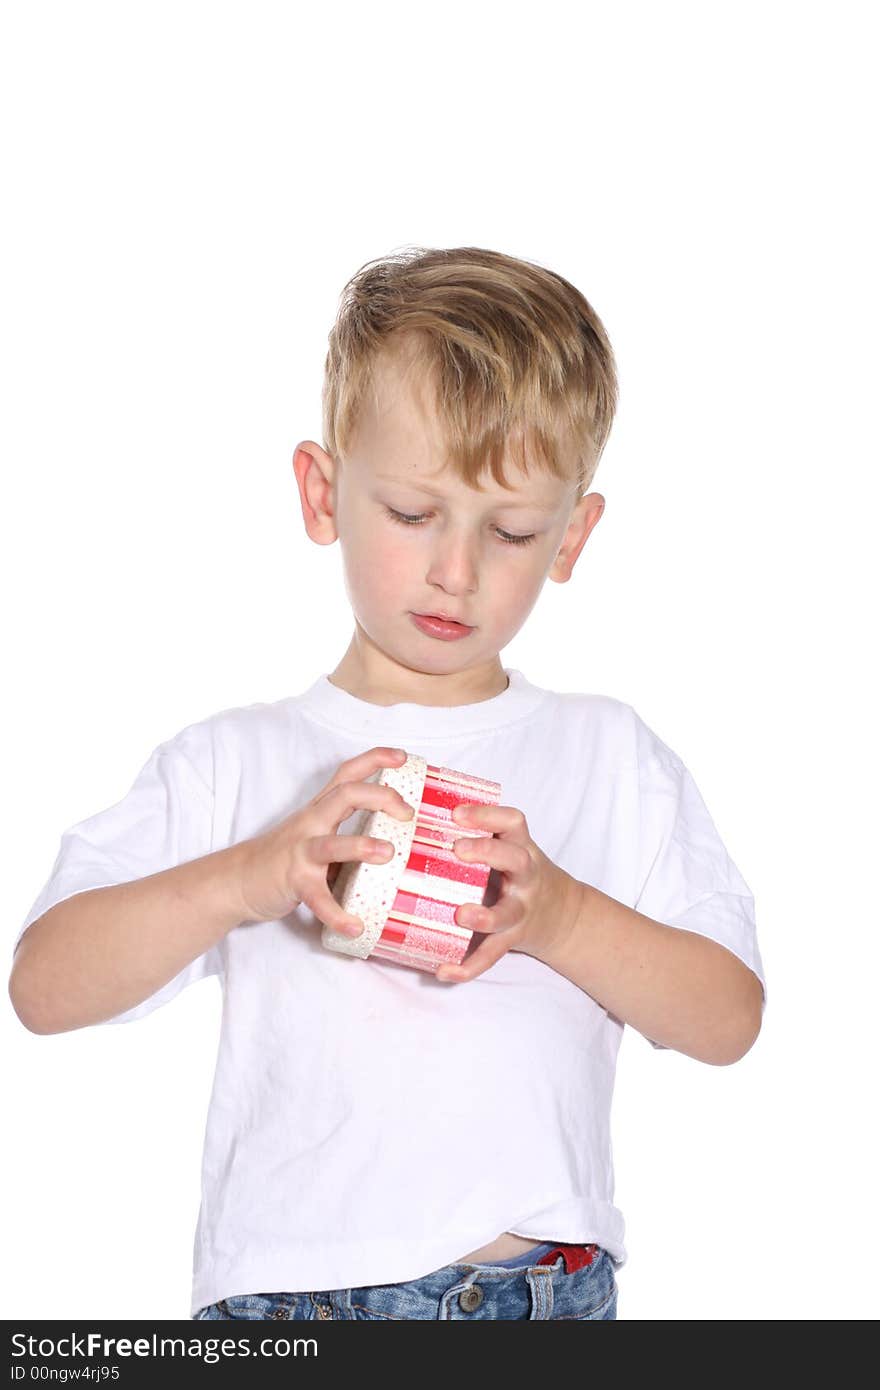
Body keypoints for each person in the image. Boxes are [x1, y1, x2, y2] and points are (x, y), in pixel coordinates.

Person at [9, 245, 766, 1321]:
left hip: (539, 1294)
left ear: (571, 536)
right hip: (292, 1308)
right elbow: (44, 985)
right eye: (413, 515)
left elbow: (727, 1018)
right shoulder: (238, 760)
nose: (456, 571)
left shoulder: (608, 754)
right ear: (323, 495)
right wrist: (251, 874)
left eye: (509, 531)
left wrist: (561, 914)